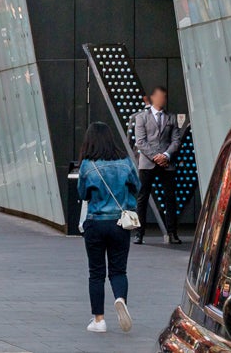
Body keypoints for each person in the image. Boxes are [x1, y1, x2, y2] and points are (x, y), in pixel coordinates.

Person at [78, 121, 141, 334]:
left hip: (95, 223)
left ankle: (99, 320)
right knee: (118, 269)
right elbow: (137, 186)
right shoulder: (125, 162)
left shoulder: (87, 165)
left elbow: (82, 194)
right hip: (119, 223)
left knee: (96, 273)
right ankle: (120, 299)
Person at [132, 87, 185, 245]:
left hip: (167, 164)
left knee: (170, 198)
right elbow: (140, 142)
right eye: (160, 97)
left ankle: (172, 233)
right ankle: (139, 233)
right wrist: (157, 156)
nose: (163, 100)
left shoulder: (171, 118)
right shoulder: (142, 117)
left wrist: (166, 155)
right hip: (148, 163)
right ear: (153, 98)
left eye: (165, 97)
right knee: (142, 198)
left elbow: (176, 140)